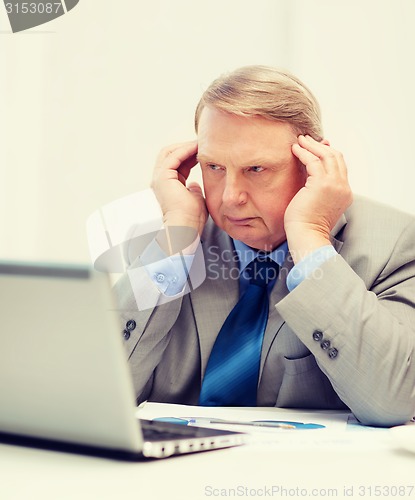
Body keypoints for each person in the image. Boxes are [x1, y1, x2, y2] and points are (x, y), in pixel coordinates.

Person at [113, 65, 415, 427]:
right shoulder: (169, 240)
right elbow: (95, 391)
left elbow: (393, 401)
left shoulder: (395, 246)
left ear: (313, 164)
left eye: (256, 169)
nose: (230, 198)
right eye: (214, 166)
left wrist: (310, 237)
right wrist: (177, 234)